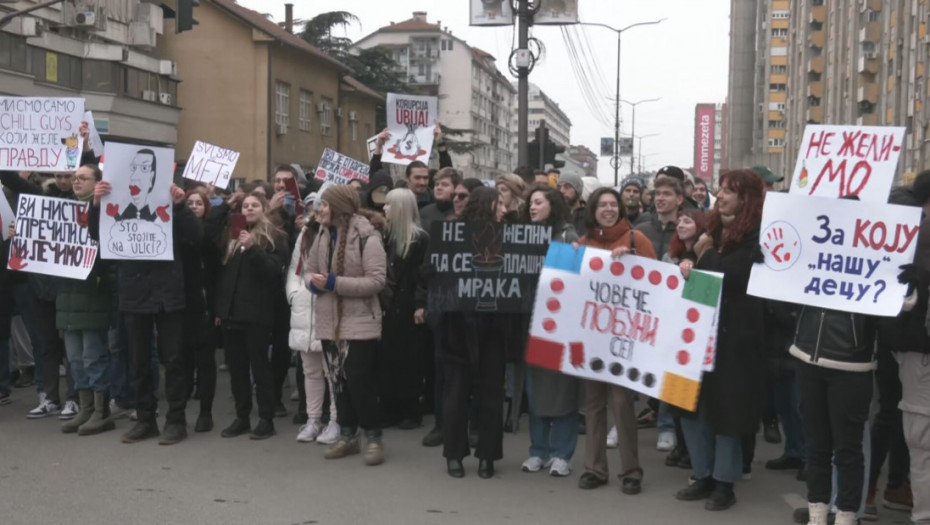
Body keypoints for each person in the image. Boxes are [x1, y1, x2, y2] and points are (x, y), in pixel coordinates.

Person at [675, 169, 766, 511]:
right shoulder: (710, 228)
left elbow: (732, 278)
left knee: (728, 411)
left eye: (729, 191)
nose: (721, 195)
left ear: (746, 198)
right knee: (691, 405)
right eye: (721, 189)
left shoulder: (758, 237)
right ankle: (703, 474)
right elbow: (698, 281)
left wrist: (705, 253)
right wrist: (689, 259)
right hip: (698, 331)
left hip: (735, 338)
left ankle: (725, 483)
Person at [90, 176, 202, 445]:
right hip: (134, 291)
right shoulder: (119, 205)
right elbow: (97, 235)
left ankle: (175, 421)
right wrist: (96, 204)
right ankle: (145, 419)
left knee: (173, 359)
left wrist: (181, 207)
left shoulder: (170, 206)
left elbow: (196, 236)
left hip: (168, 292)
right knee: (138, 360)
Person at [575, 188, 656, 494]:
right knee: (594, 404)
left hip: (626, 339)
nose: (608, 209)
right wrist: (571, 260)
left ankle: (631, 471)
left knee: (622, 403)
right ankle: (595, 468)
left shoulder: (637, 241)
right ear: (592, 210)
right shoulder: (582, 245)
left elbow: (655, 285)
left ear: (620, 209)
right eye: (602, 205)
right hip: (593, 337)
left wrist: (631, 262)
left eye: (613, 204)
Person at [306, 185, 387, 466]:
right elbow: (309, 269)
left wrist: (333, 283)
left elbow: (376, 281)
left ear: (339, 206)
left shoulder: (367, 236)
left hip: (361, 320)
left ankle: (374, 438)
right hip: (330, 321)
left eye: (325, 205)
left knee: (359, 381)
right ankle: (348, 436)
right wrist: (311, 283)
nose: (319, 211)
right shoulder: (323, 234)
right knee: (338, 381)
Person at [441, 187, 509, 479]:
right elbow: (434, 271)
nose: (505, 210)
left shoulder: (509, 237)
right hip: (457, 325)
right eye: (500, 205)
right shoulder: (451, 234)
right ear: (486, 206)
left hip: (494, 326)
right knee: (456, 394)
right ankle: (454, 454)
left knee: (492, 393)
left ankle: (487, 456)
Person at [791, 300, 879, 525]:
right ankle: (817, 516)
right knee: (816, 446)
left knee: (847, 450)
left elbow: (899, 306)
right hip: (808, 356)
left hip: (852, 364)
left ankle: (846, 517)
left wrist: (907, 290)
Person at [215, 192, 288, 440]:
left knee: (260, 368)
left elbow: (273, 271)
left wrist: (253, 248)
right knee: (237, 370)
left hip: (257, 313)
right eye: (245, 206)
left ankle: (266, 418)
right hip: (232, 314)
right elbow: (224, 275)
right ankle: (242, 416)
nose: (249, 209)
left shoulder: (274, 236)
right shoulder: (232, 234)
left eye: (254, 205)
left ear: (264, 208)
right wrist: (221, 310)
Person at [522, 186, 582, 477]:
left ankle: (562, 453)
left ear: (552, 205)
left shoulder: (568, 237)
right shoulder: (523, 235)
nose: (532, 207)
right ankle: (538, 451)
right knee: (536, 392)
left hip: (559, 326)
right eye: (530, 203)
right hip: (532, 323)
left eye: (538, 202)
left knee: (562, 392)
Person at [56, 164, 118, 436]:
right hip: (67, 296)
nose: (76, 181)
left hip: (93, 293)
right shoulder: (62, 207)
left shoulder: (107, 210)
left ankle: (101, 412)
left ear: (97, 182)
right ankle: (85, 409)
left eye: (83, 178)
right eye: (74, 178)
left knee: (93, 356)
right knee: (75, 359)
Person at [378, 188, 430, 429]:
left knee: (409, 358)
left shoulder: (419, 239)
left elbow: (422, 276)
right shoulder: (383, 236)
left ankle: (410, 408)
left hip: (408, 305)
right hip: (387, 304)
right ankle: (389, 407)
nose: (384, 209)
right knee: (387, 357)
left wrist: (420, 304)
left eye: (389, 205)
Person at [288, 208, 340, 445]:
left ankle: (336, 420)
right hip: (303, 309)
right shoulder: (306, 234)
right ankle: (313, 419)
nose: (321, 211)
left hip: (329, 305)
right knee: (310, 370)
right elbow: (294, 269)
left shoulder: (341, 233)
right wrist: (294, 294)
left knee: (332, 371)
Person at [181, 187, 222, 433]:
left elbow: (216, 271)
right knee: (183, 360)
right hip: (180, 303)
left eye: (199, 203)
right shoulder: (175, 229)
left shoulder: (210, 234)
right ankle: (181, 409)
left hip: (205, 305)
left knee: (205, 361)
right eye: (189, 202)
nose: (194, 206)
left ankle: (205, 413)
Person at [370, 124, 451, 209]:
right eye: (417, 178)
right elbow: (375, 178)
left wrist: (440, 144)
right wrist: (378, 147)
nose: (422, 182)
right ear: (407, 178)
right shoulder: (395, 198)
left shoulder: (435, 200)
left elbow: (447, 174)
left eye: (425, 178)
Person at [419, 167, 461, 234]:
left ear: (456, 188)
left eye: (445, 185)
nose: (439, 188)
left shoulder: (463, 212)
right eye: (437, 184)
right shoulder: (425, 212)